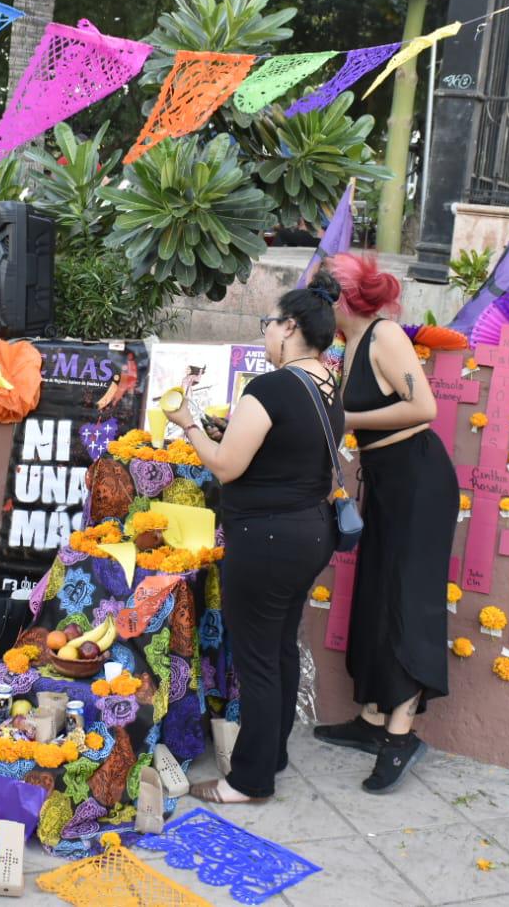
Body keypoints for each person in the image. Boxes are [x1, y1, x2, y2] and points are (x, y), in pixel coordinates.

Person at [163, 271, 345, 805]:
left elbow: (224, 466)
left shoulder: (271, 387)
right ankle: (273, 753)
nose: (265, 332)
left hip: (266, 538)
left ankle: (248, 780)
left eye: (269, 323)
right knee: (280, 647)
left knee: (257, 660)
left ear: (289, 327)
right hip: (309, 532)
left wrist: (187, 423)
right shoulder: (328, 385)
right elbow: (286, 450)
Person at [313, 253, 456, 794]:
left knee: (407, 600)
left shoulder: (385, 335)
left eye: (323, 295)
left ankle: (401, 734)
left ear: (342, 298)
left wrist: (347, 418)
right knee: (376, 595)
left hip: (418, 481)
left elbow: (424, 407)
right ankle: (373, 720)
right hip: (386, 480)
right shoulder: (349, 345)